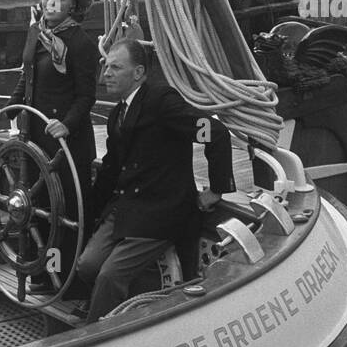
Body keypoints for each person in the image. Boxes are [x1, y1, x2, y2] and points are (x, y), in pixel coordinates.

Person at [78, 40, 234, 322]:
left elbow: (216, 132)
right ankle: (124, 315)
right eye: (106, 66)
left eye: (116, 67)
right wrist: (89, 210)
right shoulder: (117, 115)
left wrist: (217, 190)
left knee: (109, 277)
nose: (107, 74)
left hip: (161, 211)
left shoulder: (161, 102)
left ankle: (93, 337)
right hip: (127, 208)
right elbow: (112, 168)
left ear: (138, 73)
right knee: (87, 266)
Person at [6, 0, 99, 293]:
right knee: (39, 209)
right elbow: (26, 77)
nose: (48, 2)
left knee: (63, 211)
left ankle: (65, 281)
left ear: (72, 5)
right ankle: (43, 275)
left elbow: (87, 96)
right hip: (35, 136)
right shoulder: (36, 33)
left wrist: (67, 124)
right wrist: (8, 110)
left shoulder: (81, 43)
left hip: (65, 141)